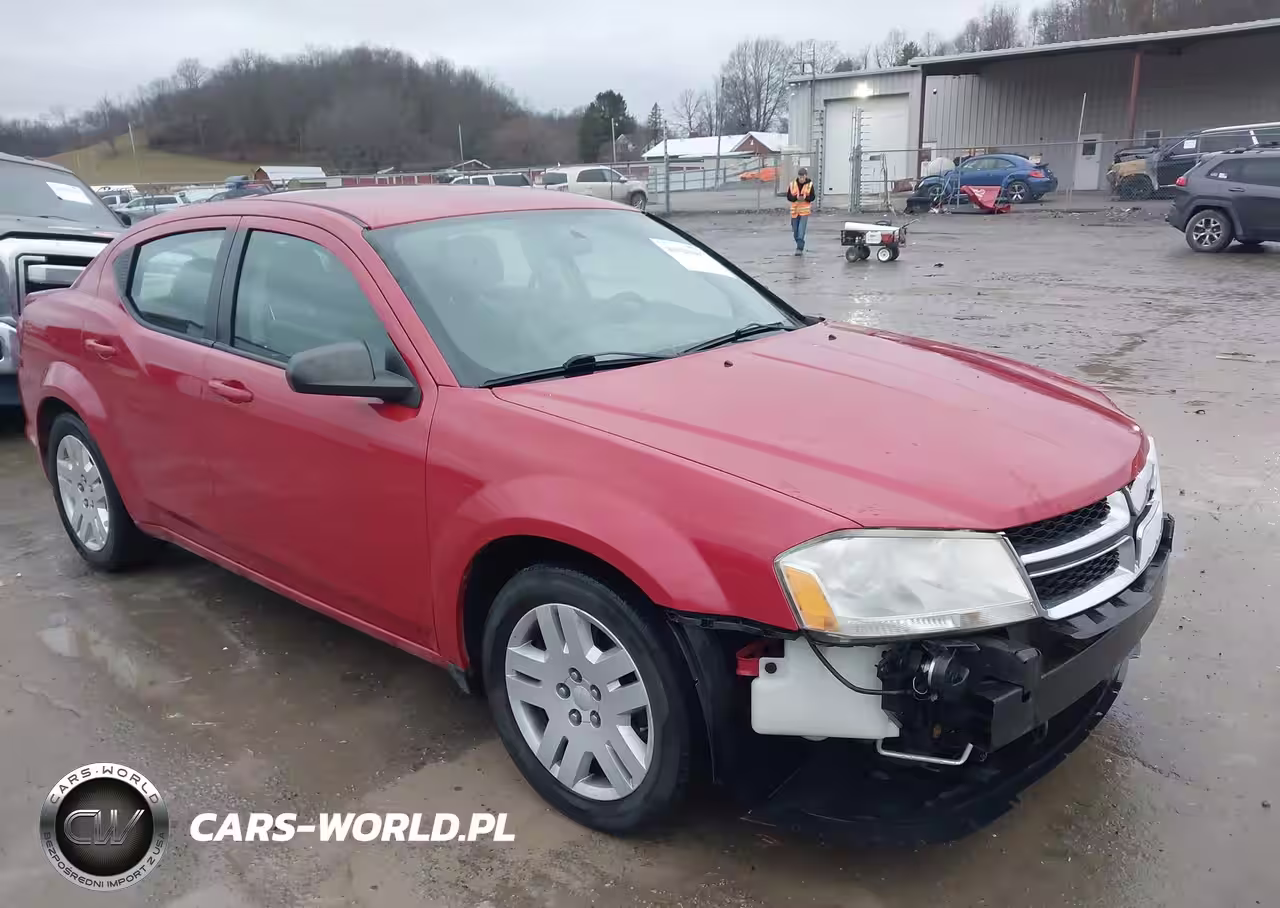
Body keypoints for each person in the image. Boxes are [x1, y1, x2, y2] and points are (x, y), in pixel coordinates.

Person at [786, 168, 815, 255]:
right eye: (800, 177)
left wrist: (805, 198)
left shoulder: (809, 185)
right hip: (794, 211)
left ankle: (799, 249)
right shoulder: (793, 184)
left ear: (806, 176)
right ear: (798, 176)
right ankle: (800, 243)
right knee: (795, 231)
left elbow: (813, 197)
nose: (801, 178)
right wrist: (795, 198)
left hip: (804, 212)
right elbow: (789, 197)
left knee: (801, 230)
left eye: (803, 177)